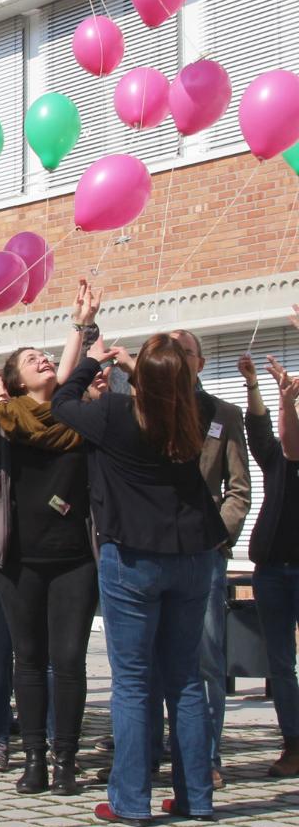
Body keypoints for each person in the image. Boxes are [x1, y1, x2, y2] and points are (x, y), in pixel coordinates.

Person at [52, 331, 226, 824]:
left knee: (131, 682)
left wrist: (92, 359)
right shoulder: (197, 415)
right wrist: (140, 369)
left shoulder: (114, 416)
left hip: (132, 558)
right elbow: (190, 391)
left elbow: (63, 402)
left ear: (143, 380)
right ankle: (197, 797)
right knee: (186, 680)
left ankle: (131, 800)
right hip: (193, 555)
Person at [0, 295, 97, 796]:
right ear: (14, 383)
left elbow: (71, 378)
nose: (43, 359)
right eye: (31, 358)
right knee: (29, 659)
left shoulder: (78, 418)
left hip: (75, 557)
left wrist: (80, 325)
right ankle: (34, 758)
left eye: (47, 354)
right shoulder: (6, 423)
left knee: (70, 659)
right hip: (18, 560)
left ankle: (66, 761)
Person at [165, 328, 250, 788]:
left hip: (205, 554)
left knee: (205, 661)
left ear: (199, 362)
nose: (178, 359)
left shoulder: (224, 414)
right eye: (171, 351)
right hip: (155, 551)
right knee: (153, 662)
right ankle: (160, 749)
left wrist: (217, 536)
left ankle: (207, 756)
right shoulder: (147, 412)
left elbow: (239, 489)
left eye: (187, 352)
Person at [240, 350, 299, 777]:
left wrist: (286, 402)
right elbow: (258, 430)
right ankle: (293, 744)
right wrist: (255, 386)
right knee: (280, 662)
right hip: (272, 571)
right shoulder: (275, 459)